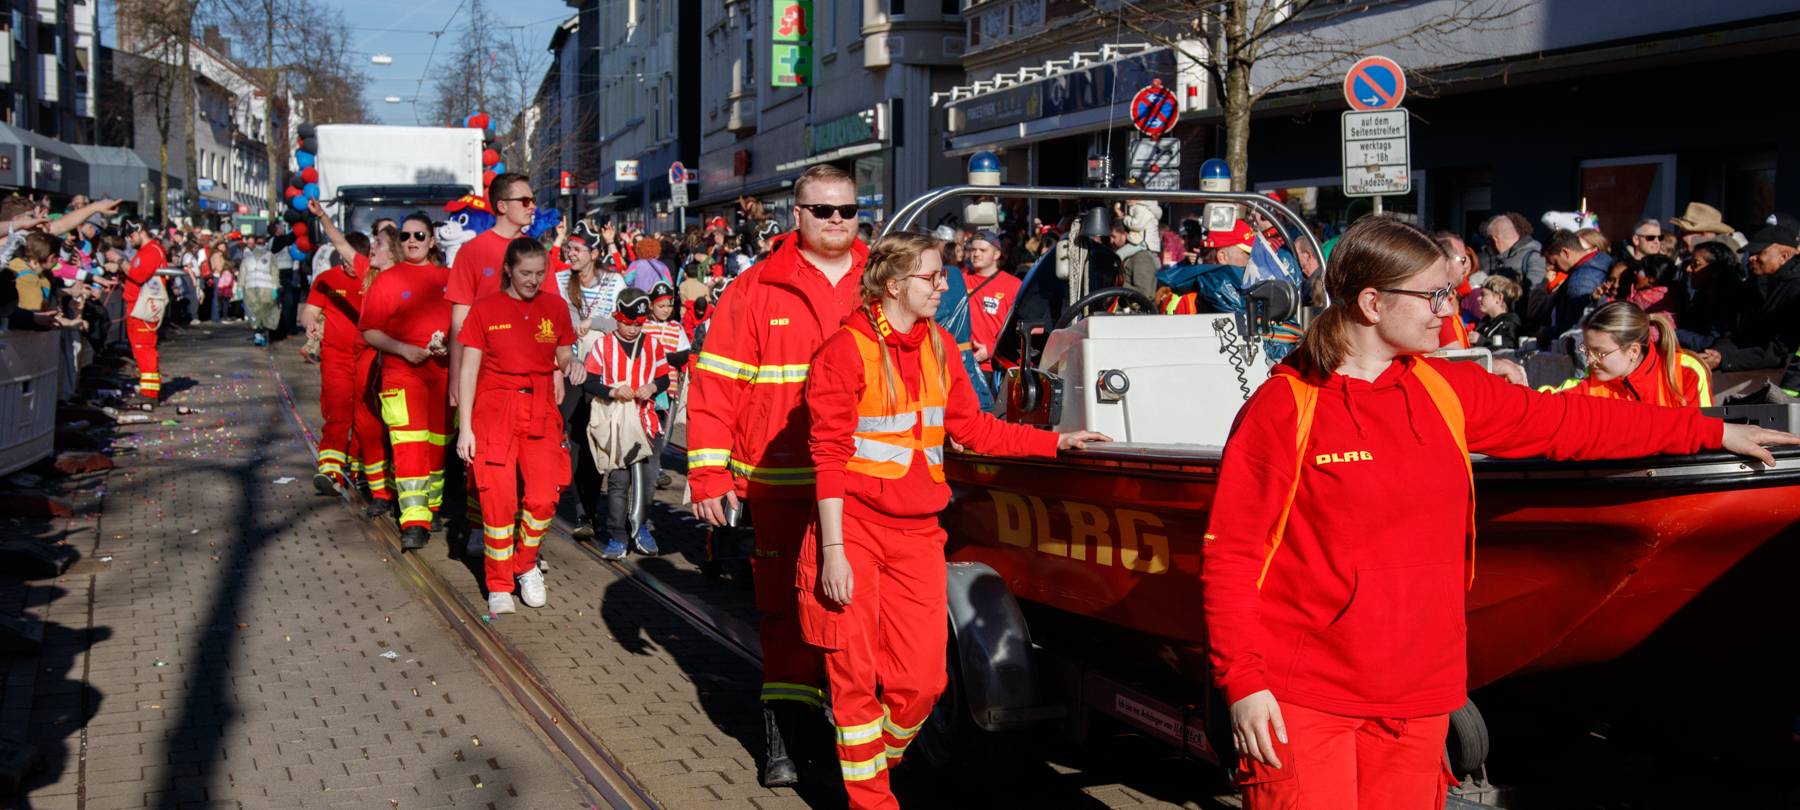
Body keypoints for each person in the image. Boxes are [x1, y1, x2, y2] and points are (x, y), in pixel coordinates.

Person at [1202, 216, 1797, 810]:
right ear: (1372, 302)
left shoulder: (1443, 387)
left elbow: (1571, 423)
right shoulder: (1285, 407)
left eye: (1450, 291)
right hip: (1306, 697)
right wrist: (1244, 684)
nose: (1448, 307)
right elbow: (1232, 556)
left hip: (1421, 691)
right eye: (1433, 294)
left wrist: (1709, 430)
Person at [801, 234, 1105, 806]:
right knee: (854, 677)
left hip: (918, 533)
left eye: (943, 276)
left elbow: (975, 430)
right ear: (894, 285)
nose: (946, 285)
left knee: (924, 683)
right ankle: (871, 797)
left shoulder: (941, 346)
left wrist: (1056, 442)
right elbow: (829, 458)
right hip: (857, 535)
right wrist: (834, 551)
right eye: (933, 277)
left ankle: (869, 765)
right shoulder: (844, 351)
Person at [686, 164, 867, 788]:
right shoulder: (757, 287)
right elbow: (715, 384)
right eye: (823, 211)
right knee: (787, 610)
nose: (837, 221)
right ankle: (784, 737)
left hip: (865, 480)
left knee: (856, 609)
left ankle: (856, 733)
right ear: (797, 215)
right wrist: (708, 474)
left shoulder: (883, 279)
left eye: (847, 210)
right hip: (780, 478)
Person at [455, 237, 584, 614]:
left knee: (545, 495)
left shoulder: (554, 306)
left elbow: (562, 349)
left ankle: (524, 564)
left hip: (542, 405)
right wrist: (466, 427)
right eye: (525, 273)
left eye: (539, 274)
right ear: (508, 270)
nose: (532, 280)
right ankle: (498, 583)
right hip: (496, 408)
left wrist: (569, 363)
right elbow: (469, 369)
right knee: (498, 500)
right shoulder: (485, 309)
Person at [448, 173, 542, 550]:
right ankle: (479, 524)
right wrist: (456, 378)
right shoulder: (473, 253)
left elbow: (547, 316)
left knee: (526, 462)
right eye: (525, 200)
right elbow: (459, 319)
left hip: (528, 376)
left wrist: (554, 369)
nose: (532, 205)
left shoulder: (535, 251)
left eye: (533, 199)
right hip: (483, 375)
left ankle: (519, 538)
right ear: (502, 206)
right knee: (484, 458)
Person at [362, 214, 454, 551]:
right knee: (408, 443)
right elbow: (370, 330)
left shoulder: (449, 278)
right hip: (402, 373)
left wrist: (450, 344)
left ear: (432, 241)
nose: (412, 241)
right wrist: (403, 349)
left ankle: (430, 509)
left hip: (443, 373)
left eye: (419, 235)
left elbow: (465, 322)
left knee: (437, 446)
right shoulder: (386, 281)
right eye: (405, 236)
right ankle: (413, 521)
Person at [582, 289, 672, 559]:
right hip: (618, 423)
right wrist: (612, 391)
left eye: (637, 324)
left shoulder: (652, 344)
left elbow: (664, 376)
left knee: (646, 480)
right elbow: (590, 381)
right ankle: (617, 535)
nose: (632, 329)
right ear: (616, 319)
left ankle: (640, 526)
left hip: (647, 422)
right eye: (627, 323)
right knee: (619, 482)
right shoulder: (603, 345)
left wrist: (653, 386)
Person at [301, 198, 375, 494]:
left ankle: (358, 468)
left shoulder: (373, 277)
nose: (346, 264)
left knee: (365, 415)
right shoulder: (327, 279)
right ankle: (329, 468)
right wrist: (311, 324)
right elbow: (310, 309)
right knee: (337, 411)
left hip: (368, 357)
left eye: (351, 259)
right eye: (343, 258)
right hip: (336, 357)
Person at [1545, 301, 1711, 408]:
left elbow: (1705, 429)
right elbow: (1546, 403)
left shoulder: (1685, 372)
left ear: (1633, 350)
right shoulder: (1592, 382)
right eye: (1586, 349)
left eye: (1599, 353)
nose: (1589, 359)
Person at [1697, 225, 1800, 372]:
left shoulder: (1795, 291)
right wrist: (1717, 353)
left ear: (1783, 257)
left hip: (1781, 379)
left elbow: (1780, 351)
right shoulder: (1751, 286)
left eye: (1759, 252)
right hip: (1745, 370)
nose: (1751, 258)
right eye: (1752, 252)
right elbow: (1734, 332)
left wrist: (1726, 358)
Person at [961, 230, 1021, 379]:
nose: (976, 254)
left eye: (983, 250)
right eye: (973, 250)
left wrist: (991, 349)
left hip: (995, 367)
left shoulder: (1013, 285)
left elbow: (1019, 329)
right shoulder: (960, 280)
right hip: (963, 364)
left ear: (996, 255)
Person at [121, 216, 166, 402]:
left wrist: (118, 262)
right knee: (140, 349)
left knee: (144, 349)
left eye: (130, 235)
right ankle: (148, 390)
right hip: (138, 305)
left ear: (139, 230)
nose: (129, 240)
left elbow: (138, 275)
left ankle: (150, 394)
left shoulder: (151, 251)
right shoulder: (147, 251)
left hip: (143, 307)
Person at [1480, 212, 1543, 287]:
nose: (1488, 246)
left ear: (1495, 240)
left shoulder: (1534, 255)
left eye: (1489, 241)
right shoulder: (1535, 253)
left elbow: (1536, 294)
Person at [1471, 275, 1523, 351]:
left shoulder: (1509, 322)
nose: (1478, 298)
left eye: (1483, 294)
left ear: (1499, 298)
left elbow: (1508, 346)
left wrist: (1480, 340)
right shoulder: (1485, 322)